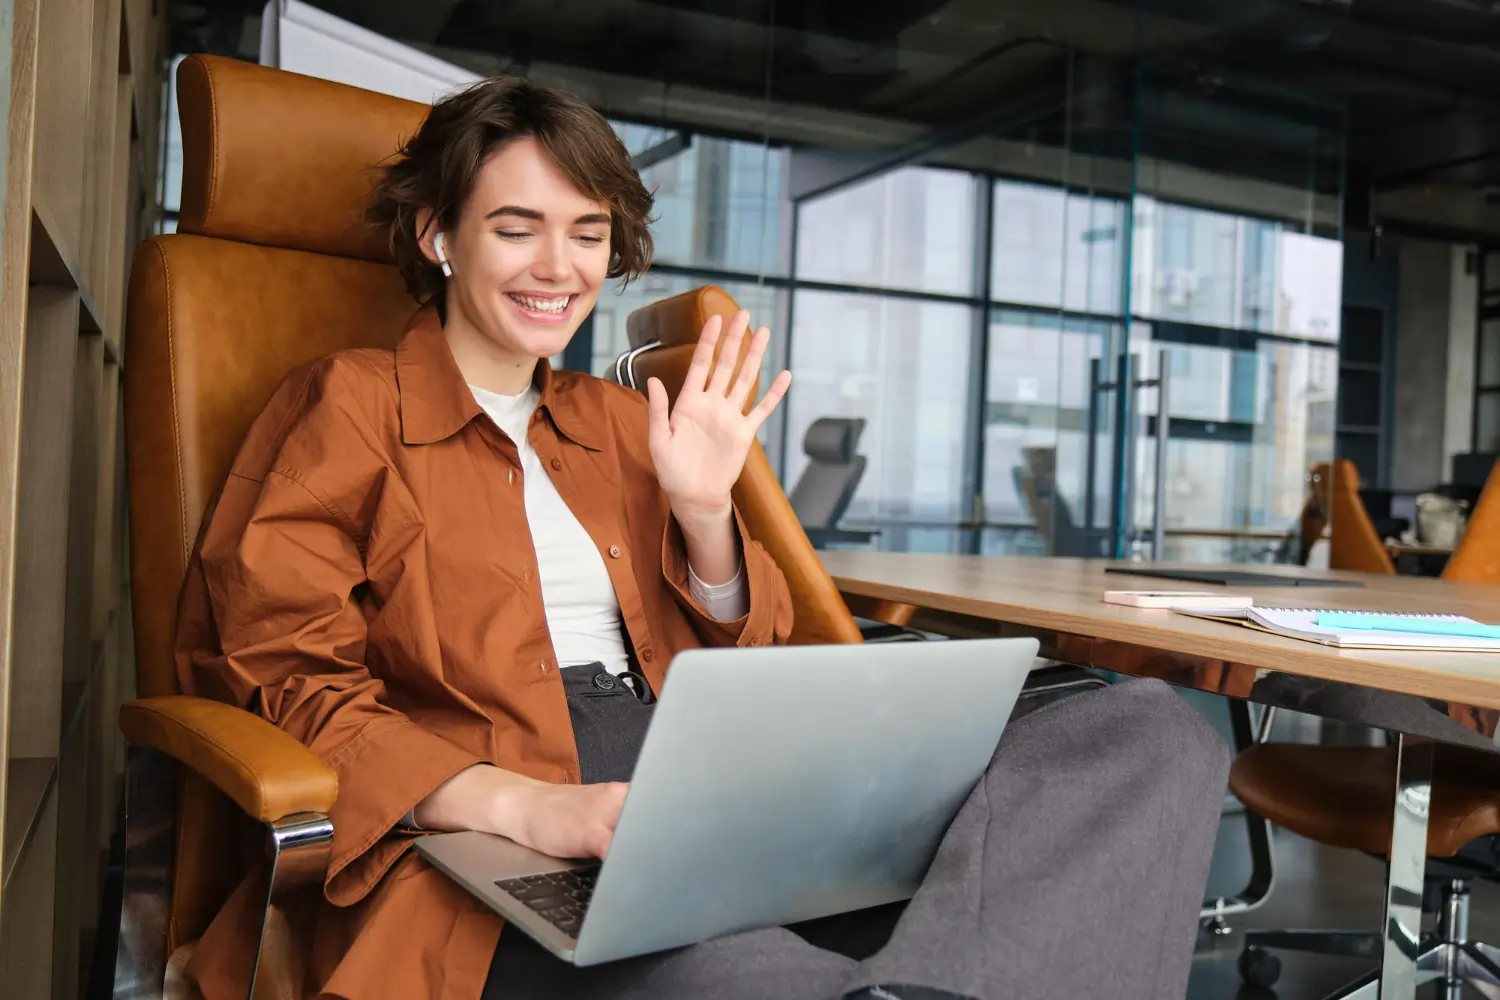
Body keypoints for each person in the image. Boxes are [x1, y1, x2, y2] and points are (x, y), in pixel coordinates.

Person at [175, 75, 1231, 1000]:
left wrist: (704, 510)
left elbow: (763, 654)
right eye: (516, 227)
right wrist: (537, 811)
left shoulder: (620, 420)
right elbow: (286, 679)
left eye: (588, 234)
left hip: (698, 769)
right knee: (768, 981)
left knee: (1149, 729)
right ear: (437, 236)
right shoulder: (347, 405)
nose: (559, 267)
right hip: (487, 816)